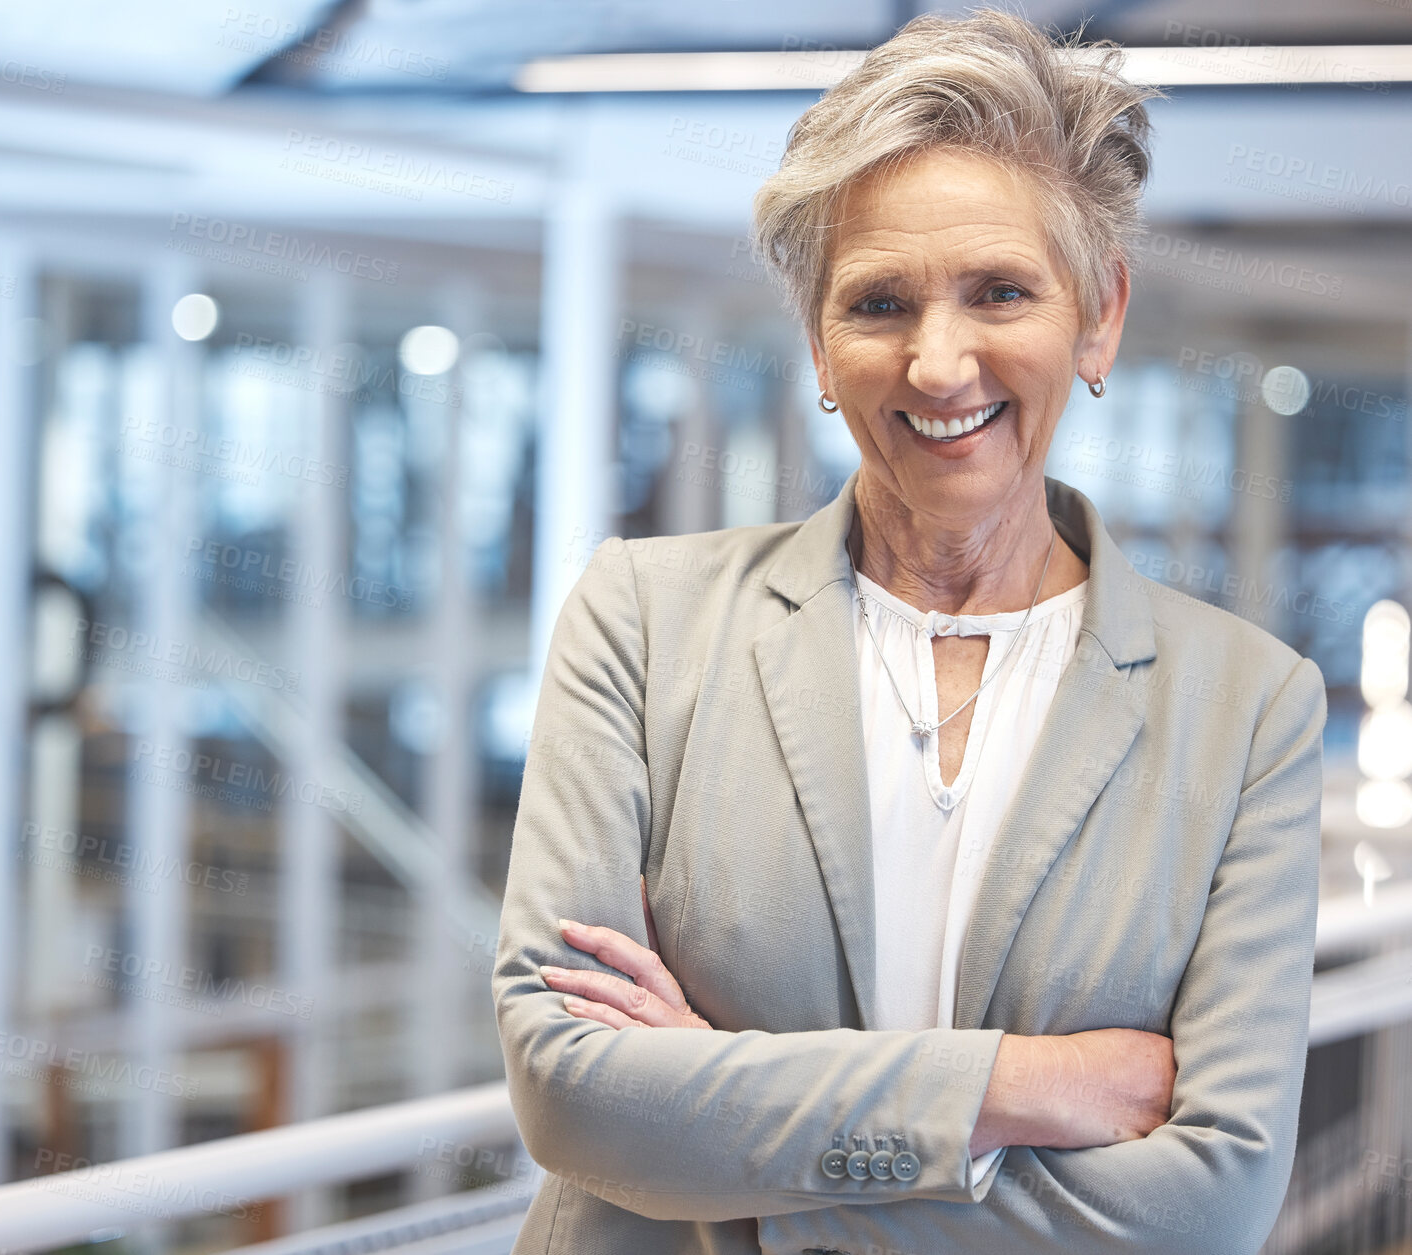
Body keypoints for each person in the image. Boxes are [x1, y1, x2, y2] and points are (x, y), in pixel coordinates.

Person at [492, 8, 1328, 1254]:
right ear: (819, 346)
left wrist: (735, 1154)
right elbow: (570, 1087)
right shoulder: (643, 620)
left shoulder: (1249, 705)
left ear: (1097, 317)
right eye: (879, 302)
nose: (939, 365)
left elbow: (1207, 1205)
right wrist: (1023, 1090)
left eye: (1000, 291)